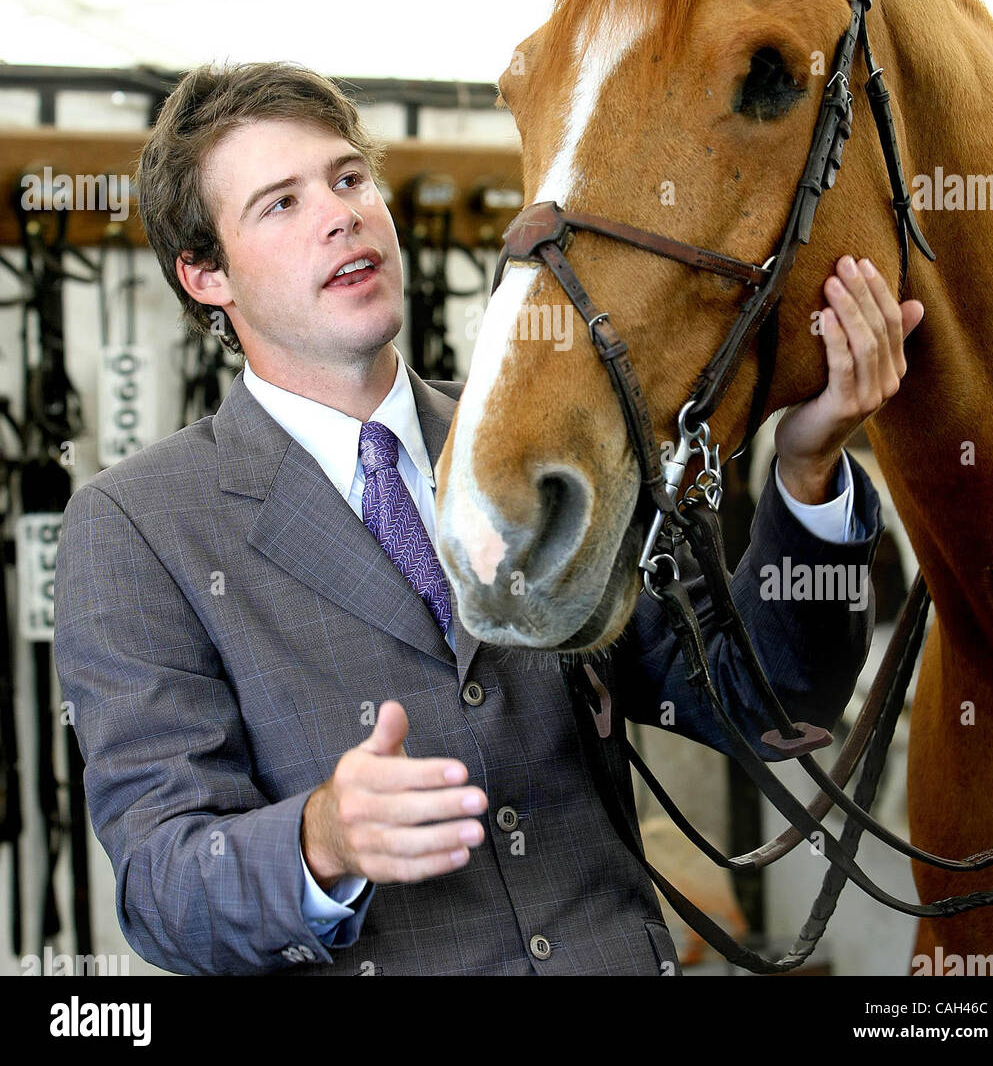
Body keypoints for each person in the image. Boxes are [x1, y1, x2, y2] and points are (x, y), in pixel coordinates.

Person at [53, 61, 921, 976]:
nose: (341, 213)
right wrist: (323, 841)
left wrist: (810, 463)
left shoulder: (544, 437)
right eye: (280, 203)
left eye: (349, 178)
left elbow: (769, 700)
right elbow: (162, 889)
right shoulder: (135, 527)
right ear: (205, 276)